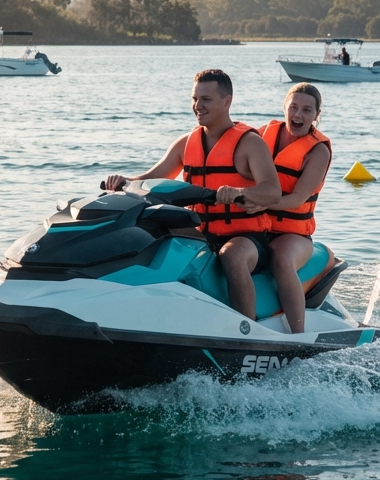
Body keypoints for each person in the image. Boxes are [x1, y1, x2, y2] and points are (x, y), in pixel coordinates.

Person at [103, 68, 280, 319]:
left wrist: (237, 192)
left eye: (206, 99)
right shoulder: (186, 143)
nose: (198, 106)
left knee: (232, 256)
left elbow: (272, 191)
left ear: (226, 101)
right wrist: (124, 182)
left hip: (247, 238)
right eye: (194, 99)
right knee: (147, 239)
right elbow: (150, 179)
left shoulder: (250, 143)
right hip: (202, 232)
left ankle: (247, 329)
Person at [247, 84, 331, 334]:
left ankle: (298, 334)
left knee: (282, 259)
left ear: (316, 115)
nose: (298, 115)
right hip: (255, 224)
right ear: (284, 107)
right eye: (293, 107)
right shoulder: (262, 135)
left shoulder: (318, 151)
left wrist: (259, 202)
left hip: (293, 234)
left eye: (306, 110)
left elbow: (296, 199)